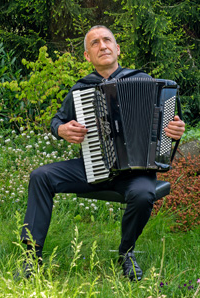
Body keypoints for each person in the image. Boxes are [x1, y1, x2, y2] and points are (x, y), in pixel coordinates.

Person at [20, 25, 185, 280]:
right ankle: (32, 256)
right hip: (95, 165)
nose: (102, 45)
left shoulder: (145, 82)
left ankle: (126, 253)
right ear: (87, 56)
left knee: (143, 194)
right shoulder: (81, 89)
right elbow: (57, 121)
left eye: (107, 40)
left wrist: (175, 130)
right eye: (94, 43)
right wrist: (61, 129)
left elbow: (172, 124)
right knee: (41, 176)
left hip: (137, 171)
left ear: (117, 48)